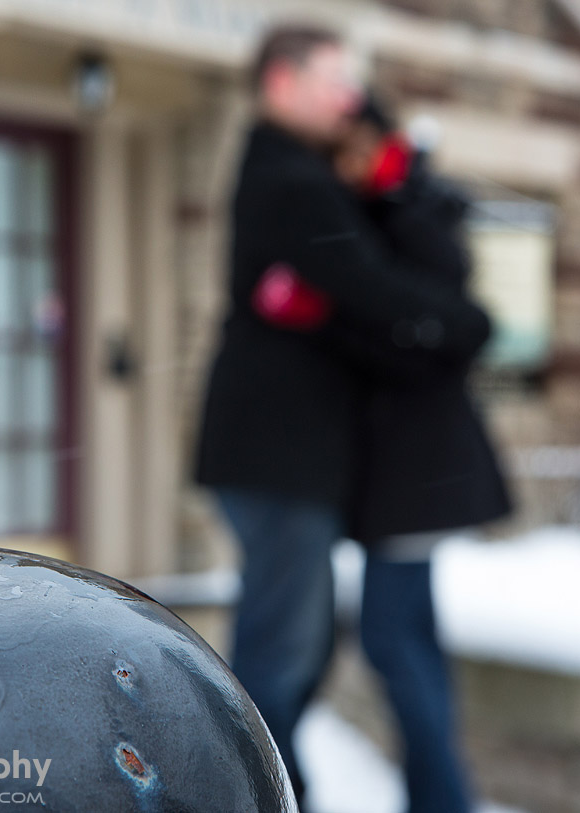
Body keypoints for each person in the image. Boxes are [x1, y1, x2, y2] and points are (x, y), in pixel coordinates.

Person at [191, 23, 492, 810]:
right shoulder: (291, 181)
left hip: (289, 461)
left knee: (299, 645)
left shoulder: (304, 170)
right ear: (280, 84)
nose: (349, 98)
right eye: (333, 81)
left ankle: (270, 791)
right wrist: (467, 326)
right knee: (283, 652)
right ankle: (256, 795)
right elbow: (374, 288)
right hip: (276, 459)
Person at [338, 96, 513, 813]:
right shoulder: (386, 210)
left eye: (360, 149)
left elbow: (454, 324)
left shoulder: (412, 209)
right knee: (412, 639)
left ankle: (444, 800)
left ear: (387, 145)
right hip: (406, 469)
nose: (349, 166)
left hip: (418, 467)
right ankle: (435, 797)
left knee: (389, 639)